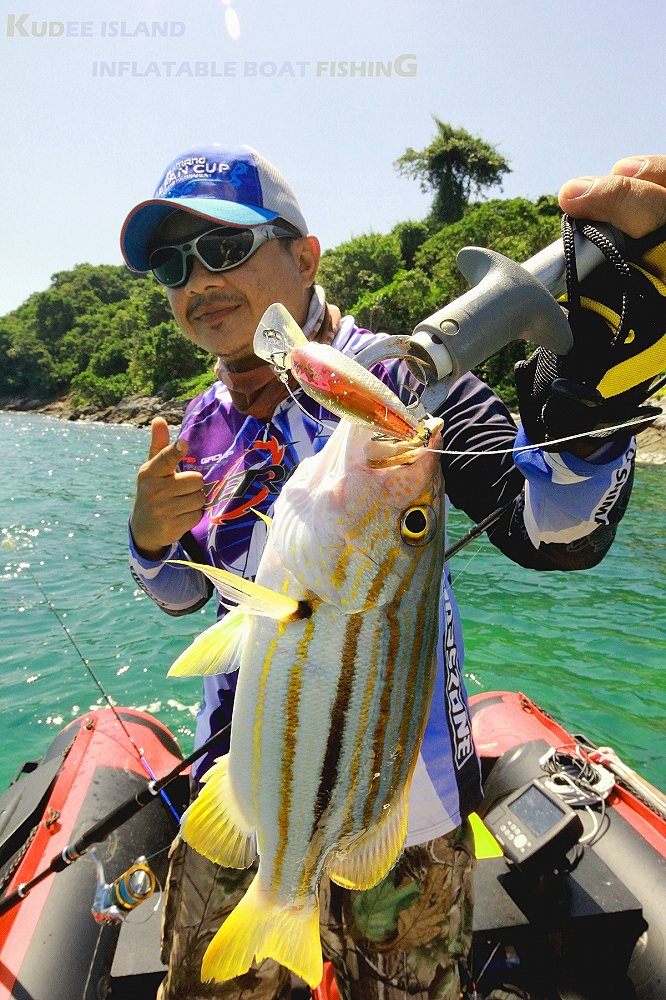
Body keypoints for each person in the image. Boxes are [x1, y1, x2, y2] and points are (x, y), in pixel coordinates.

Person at [121, 145, 666, 1000]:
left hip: (399, 807)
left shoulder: (404, 381)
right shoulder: (200, 421)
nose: (197, 280)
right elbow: (188, 596)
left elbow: (549, 527)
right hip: (234, 774)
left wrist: (592, 407)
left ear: (305, 257)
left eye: (224, 249)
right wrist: (150, 542)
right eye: (170, 264)